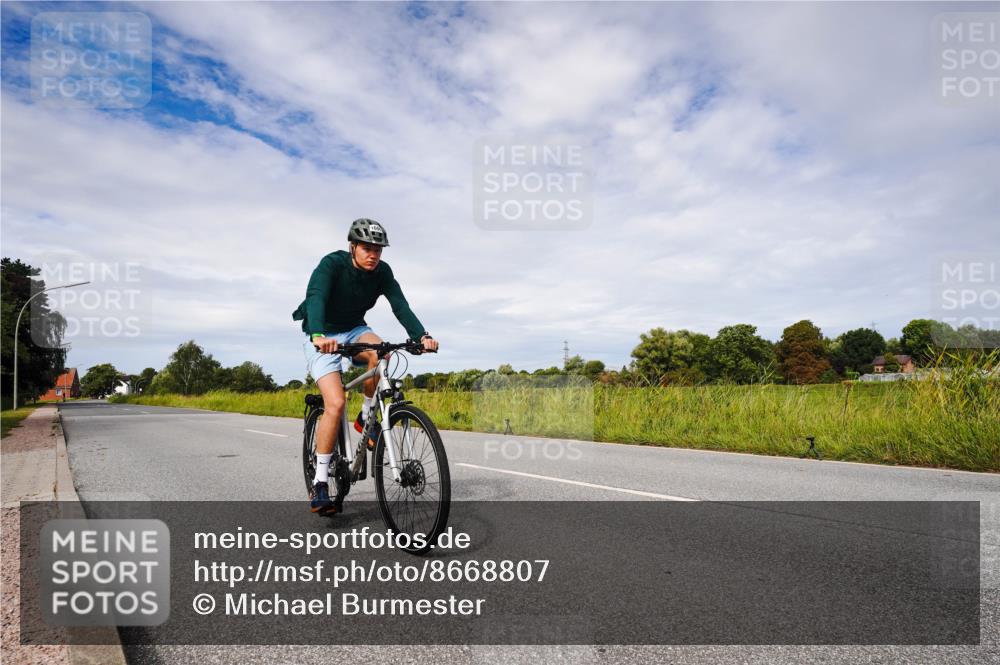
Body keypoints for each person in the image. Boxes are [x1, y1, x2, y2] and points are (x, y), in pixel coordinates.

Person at [293, 218, 438, 514]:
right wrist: (319, 334)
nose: (373, 255)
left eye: (378, 250)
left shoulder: (382, 273)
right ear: (353, 247)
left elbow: (400, 304)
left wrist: (421, 336)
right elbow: (316, 297)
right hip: (323, 333)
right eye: (367, 248)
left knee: (381, 353)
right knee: (334, 402)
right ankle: (320, 483)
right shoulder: (332, 265)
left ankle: (366, 415)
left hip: (355, 328)